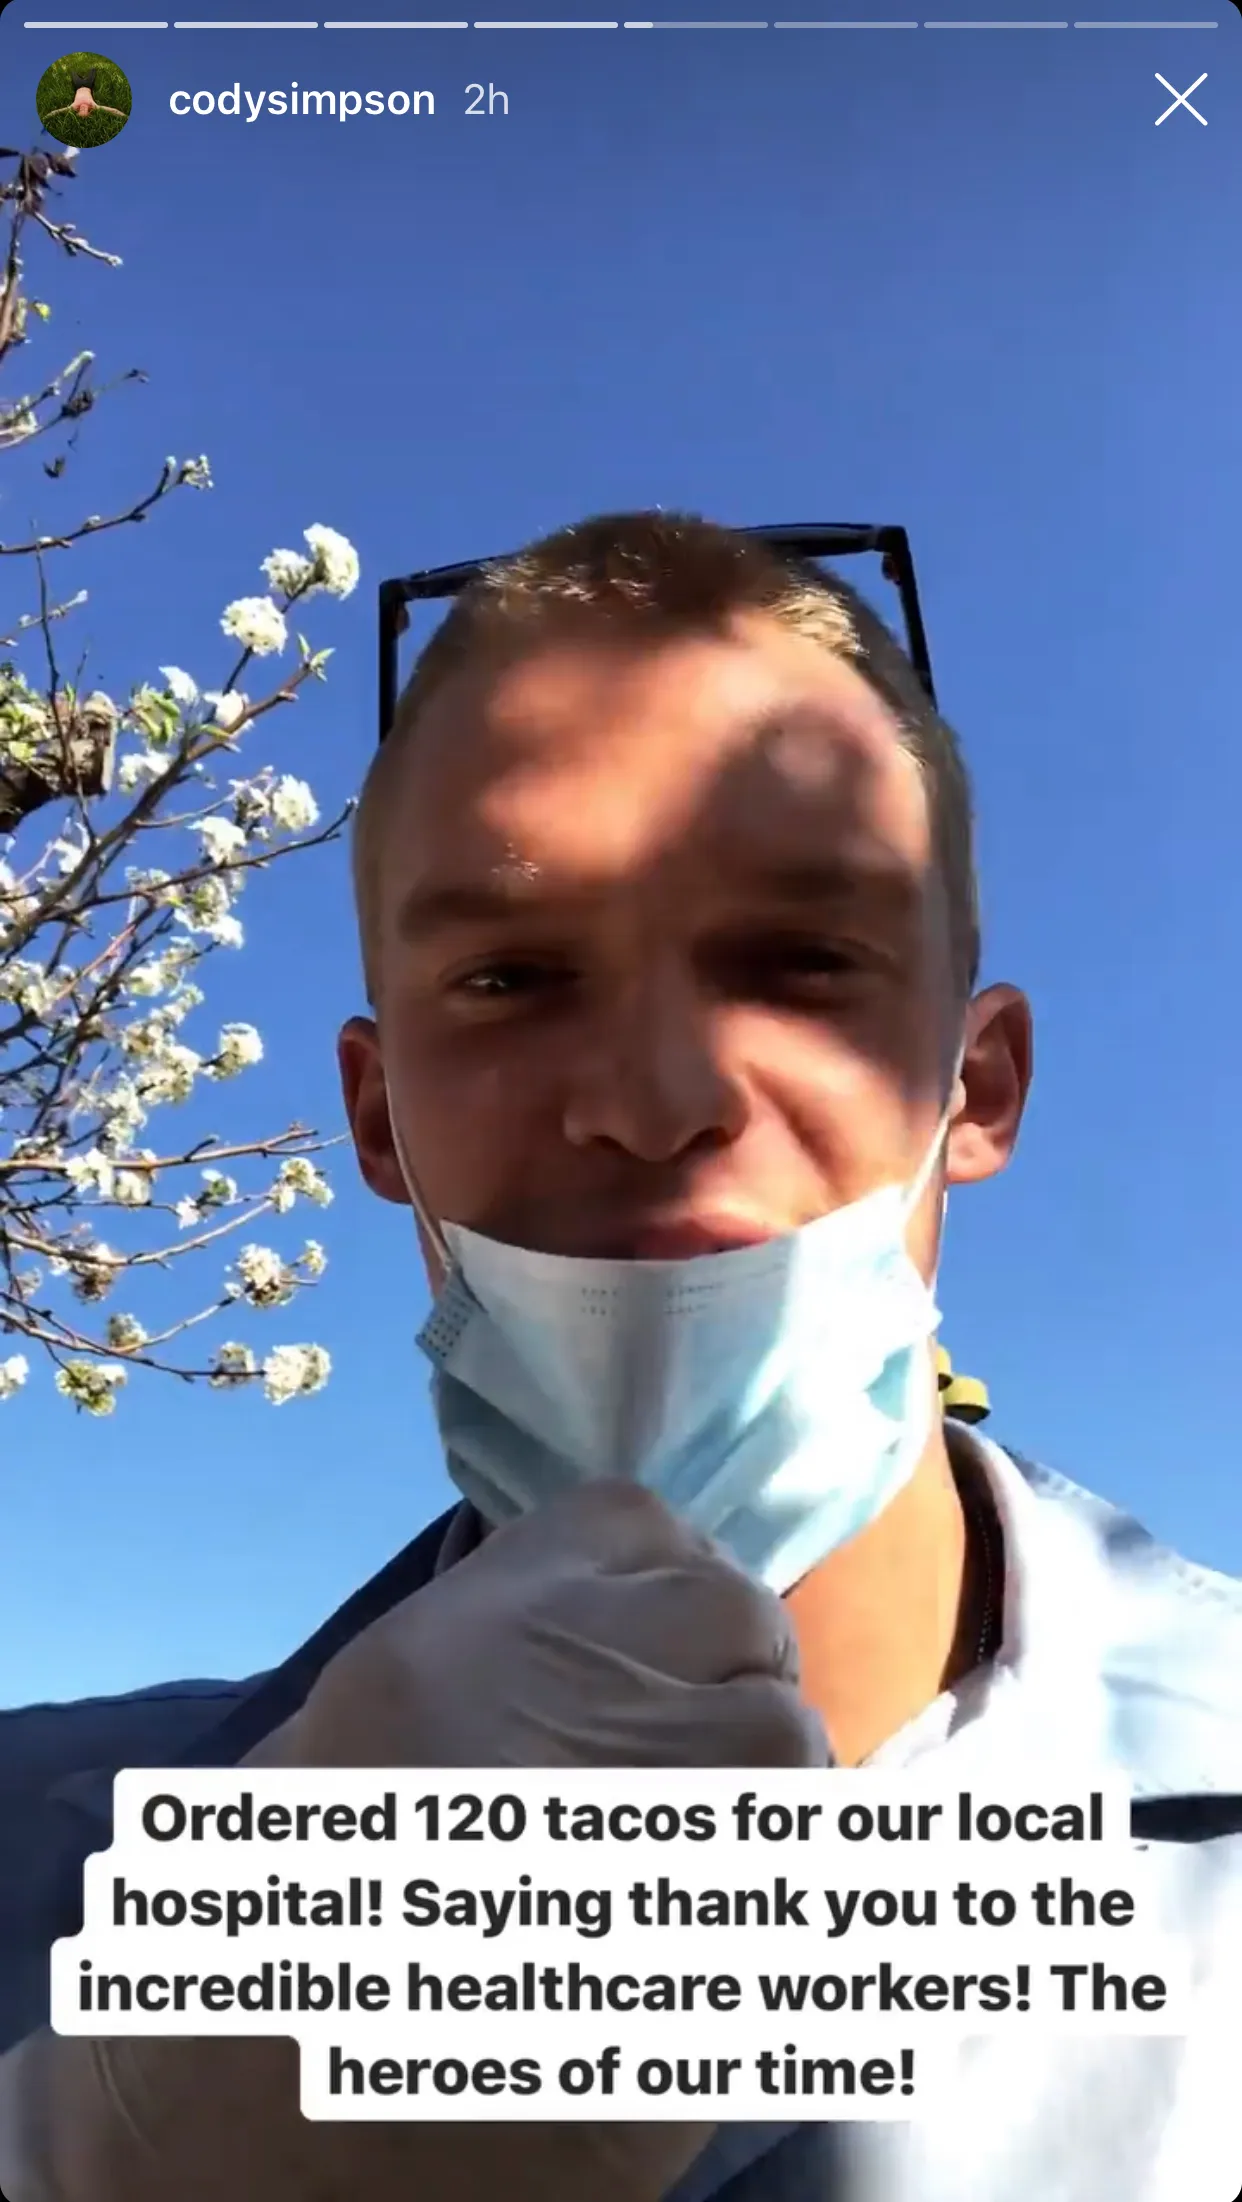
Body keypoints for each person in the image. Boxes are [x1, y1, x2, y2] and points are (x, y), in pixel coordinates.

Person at [1, 509, 1239, 2201]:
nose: (656, 1102)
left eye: (801, 962)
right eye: (511, 975)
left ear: (980, 1085)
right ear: (377, 1116)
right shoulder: (34, 1865)